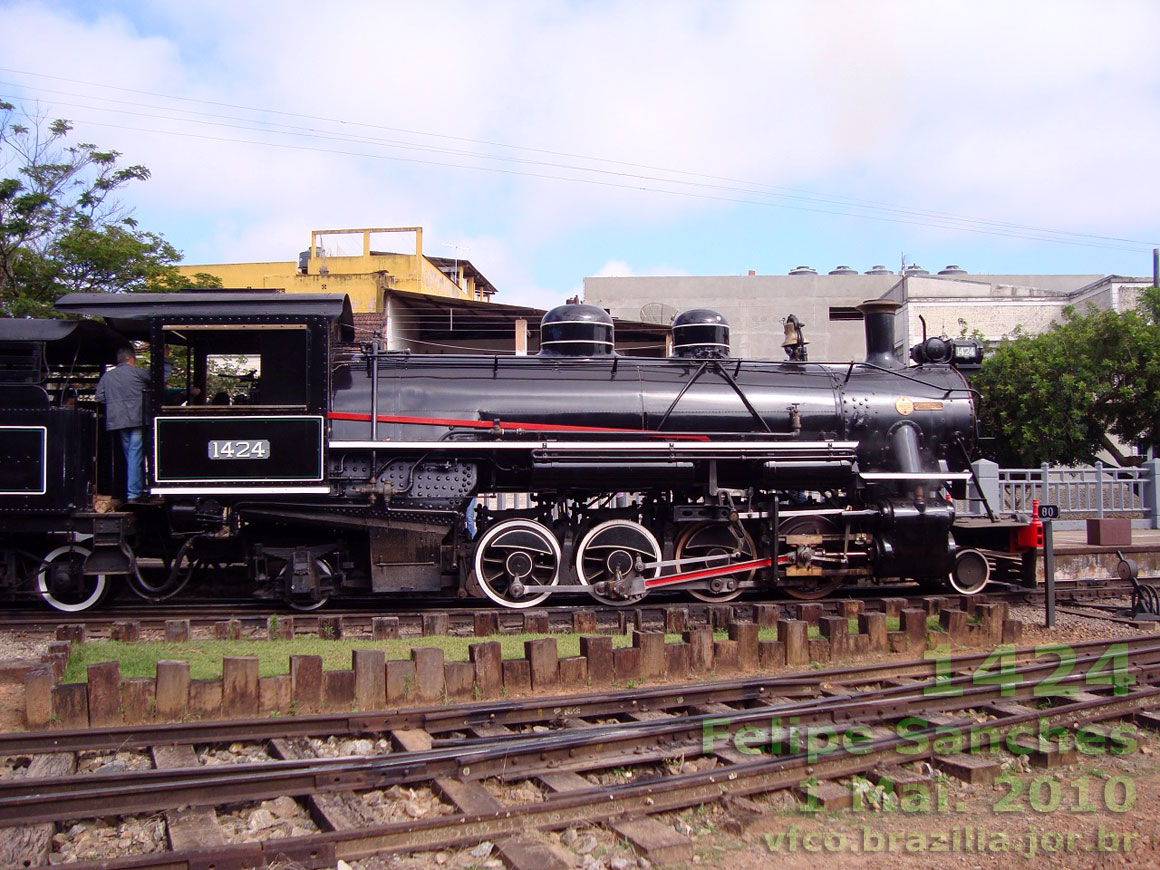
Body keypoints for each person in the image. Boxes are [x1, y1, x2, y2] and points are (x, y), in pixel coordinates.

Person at [94, 345, 150, 502]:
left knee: (130, 455)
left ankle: (136, 488)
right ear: (132, 359)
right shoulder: (138, 373)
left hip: (118, 420)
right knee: (135, 454)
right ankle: (134, 492)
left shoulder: (107, 377)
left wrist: (114, 406)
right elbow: (159, 379)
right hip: (138, 418)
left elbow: (100, 397)